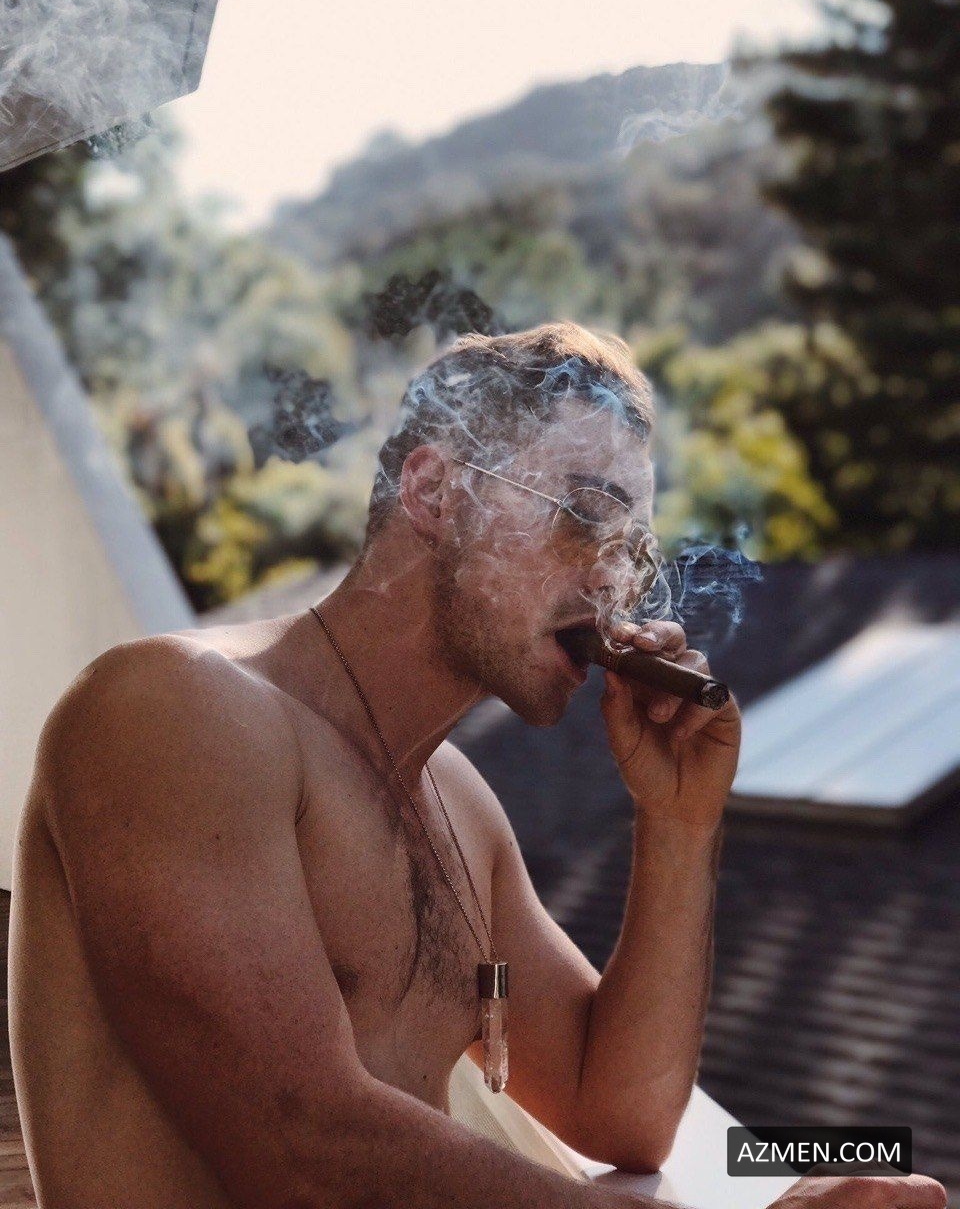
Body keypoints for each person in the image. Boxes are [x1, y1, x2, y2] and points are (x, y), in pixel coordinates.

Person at [9, 324, 944, 1209]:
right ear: (434, 493)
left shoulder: (455, 800)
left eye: (633, 553)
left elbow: (620, 1109)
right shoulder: (175, 709)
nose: (615, 583)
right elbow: (304, 1154)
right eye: (586, 516)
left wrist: (679, 820)